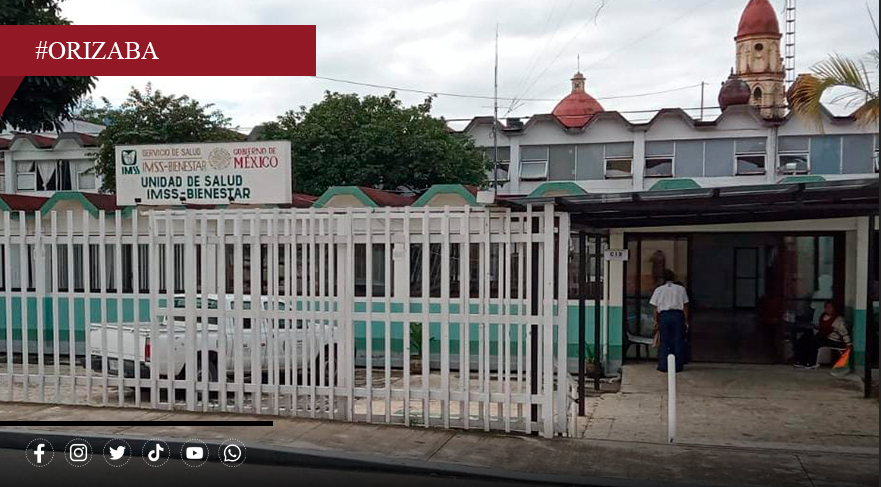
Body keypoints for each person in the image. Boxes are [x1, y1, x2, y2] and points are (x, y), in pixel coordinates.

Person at [650, 269, 689, 373]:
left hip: (664, 316)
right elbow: (685, 306)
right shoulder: (681, 289)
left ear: (663, 278)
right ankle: (678, 366)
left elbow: (655, 307)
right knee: (678, 340)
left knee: (664, 341)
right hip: (677, 315)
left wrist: (656, 320)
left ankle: (663, 365)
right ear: (674, 278)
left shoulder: (659, 290)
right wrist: (686, 321)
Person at [793, 301, 851, 369]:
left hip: (833, 340)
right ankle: (801, 361)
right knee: (805, 339)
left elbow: (844, 333)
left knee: (814, 342)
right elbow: (822, 327)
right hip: (823, 336)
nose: (828, 309)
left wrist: (848, 344)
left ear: (834, 308)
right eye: (826, 307)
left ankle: (812, 362)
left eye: (830, 307)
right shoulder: (823, 316)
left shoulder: (838, 320)